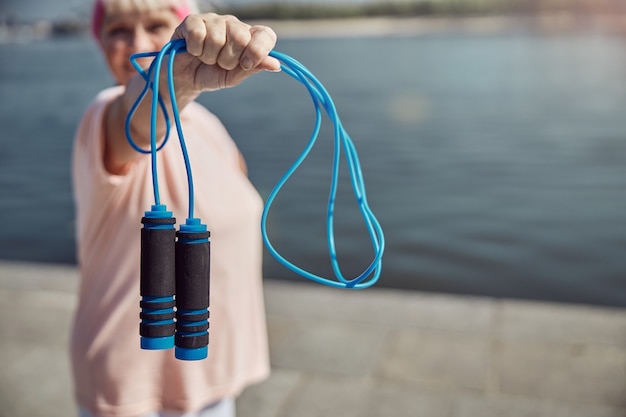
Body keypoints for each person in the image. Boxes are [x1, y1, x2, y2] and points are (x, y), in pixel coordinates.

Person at [71, 1, 280, 416]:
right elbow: (137, 115)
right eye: (118, 30)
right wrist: (175, 84)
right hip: (130, 393)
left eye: (156, 25)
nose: (140, 42)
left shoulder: (208, 126)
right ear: (100, 42)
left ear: (181, 28)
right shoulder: (102, 115)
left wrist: (182, 92)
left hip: (213, 378)